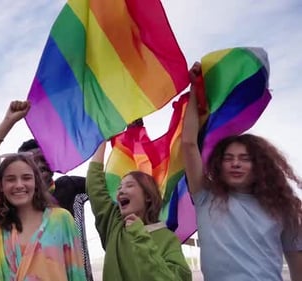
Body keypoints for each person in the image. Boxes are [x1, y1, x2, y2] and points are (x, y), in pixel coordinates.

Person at [182, 62, 302, 281]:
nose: (235, 163)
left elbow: (297, 264)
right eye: (228, 158)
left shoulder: (283, 208)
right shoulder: (205, 196)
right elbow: (189, 144)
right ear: (219, 165)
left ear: (260, 167)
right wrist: (193, 91)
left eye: (245, 159)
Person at [0, 100, 87, 281]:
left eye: (26, 178)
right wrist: (8, 122)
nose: (19, 185)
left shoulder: (61, 219)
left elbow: (76, 274)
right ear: (0, 186)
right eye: (10, 179)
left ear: (36, 182)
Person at [86, 141, 191, 281]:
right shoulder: (114, 224)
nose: (121, 190)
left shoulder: (168, 239)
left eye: (129, 185)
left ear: (148, 196)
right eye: (119, 188)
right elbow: (94, 185)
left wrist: (139, 234)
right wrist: (102, 140)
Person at [18, 139, 85, 215]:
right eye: (33, 162)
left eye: (45, 160)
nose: (41, 165)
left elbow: (98, 185)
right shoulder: (16, 199)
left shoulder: (70, 185)